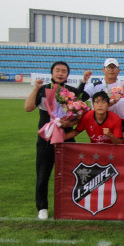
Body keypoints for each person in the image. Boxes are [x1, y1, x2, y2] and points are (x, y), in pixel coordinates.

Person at [25, 61, 87, 220]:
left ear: (67, 74)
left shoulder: (72, 92)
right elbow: (28, 107)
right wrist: (35, 89)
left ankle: (72, 205)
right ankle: (42, 207)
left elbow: (79, 116)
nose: (60, 73)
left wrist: (69, 123)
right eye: (57, 70)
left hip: (66, 138)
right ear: (52, 73)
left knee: (74, 173)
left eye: (64, 71)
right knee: (43, 173)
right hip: (46, 139)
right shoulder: (42, 90)